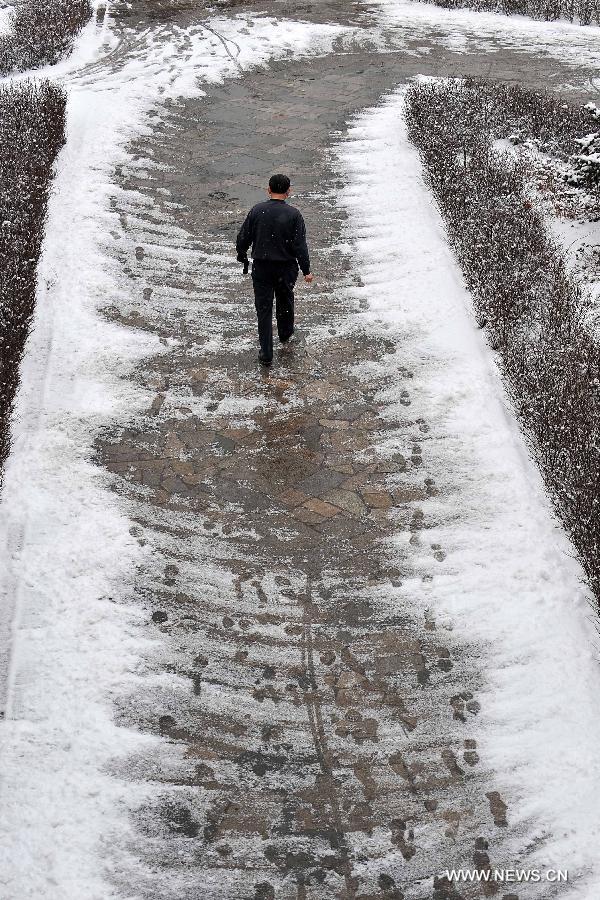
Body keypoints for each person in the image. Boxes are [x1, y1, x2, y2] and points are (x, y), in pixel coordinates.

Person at [236, 174, 313, 367]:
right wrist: (306, 270)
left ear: (268, 189)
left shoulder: (257, 211)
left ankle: (266, 351)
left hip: (262, 266)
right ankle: (285, 333)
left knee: (263, 308)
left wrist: (242, 254)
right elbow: (299, 246)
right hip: (286, 267)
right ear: (289, 191)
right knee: (285, 298)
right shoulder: (294, 215)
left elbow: (243, 237)